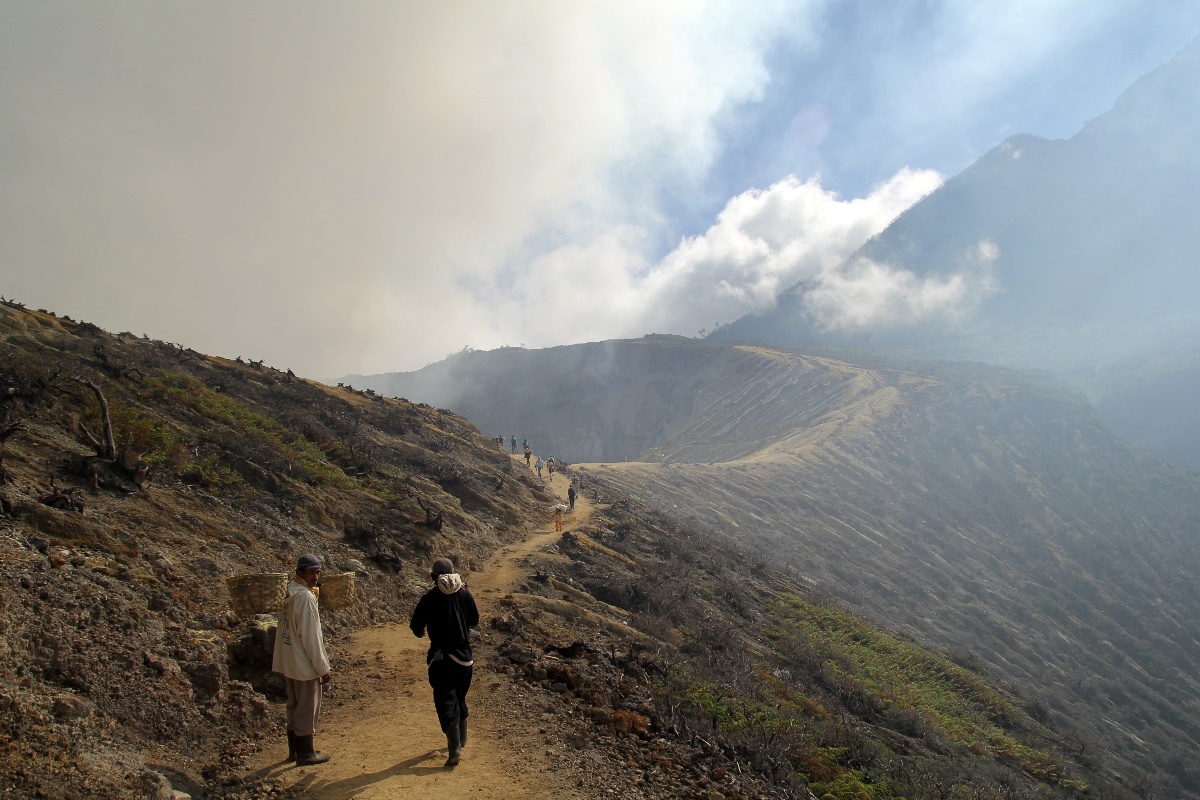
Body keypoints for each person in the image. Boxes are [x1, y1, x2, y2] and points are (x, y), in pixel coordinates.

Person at [410, 558, 479, 768]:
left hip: (442, 658)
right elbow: (474, 620)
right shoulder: (465, 593)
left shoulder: (430, 598)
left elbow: (416, 626)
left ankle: (454, 748)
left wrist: (422, 630)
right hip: (465, 658)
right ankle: (462, 738)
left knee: (446, 701)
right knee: (460, 697)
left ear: (433, 577)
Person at [272, 554, 333, 765]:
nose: (316, 576)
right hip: (303, 663)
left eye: (318, 572)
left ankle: (294, 751)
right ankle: (306, 753)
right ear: (300, 573)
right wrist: (322, 668)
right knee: (307, 708)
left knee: (293, 705)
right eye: (311, 572)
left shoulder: (290, 591)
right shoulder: (305, 598)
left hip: (289, 661)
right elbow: (311, 638)